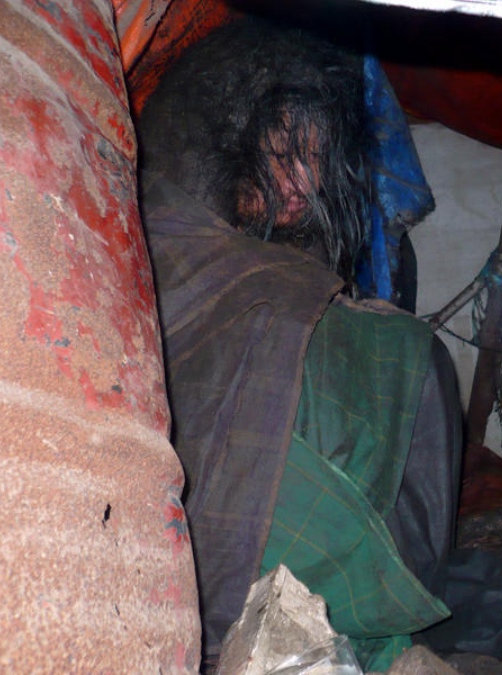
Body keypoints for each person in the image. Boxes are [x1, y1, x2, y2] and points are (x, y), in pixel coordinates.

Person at [136, 16, 462, 670]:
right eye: (287, 154)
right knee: (415, 357)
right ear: (230, 138)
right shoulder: (155, 259)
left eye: (315, 159)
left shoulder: (132, 249)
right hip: (224, 606)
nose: (303, 186)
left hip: (159, 618)